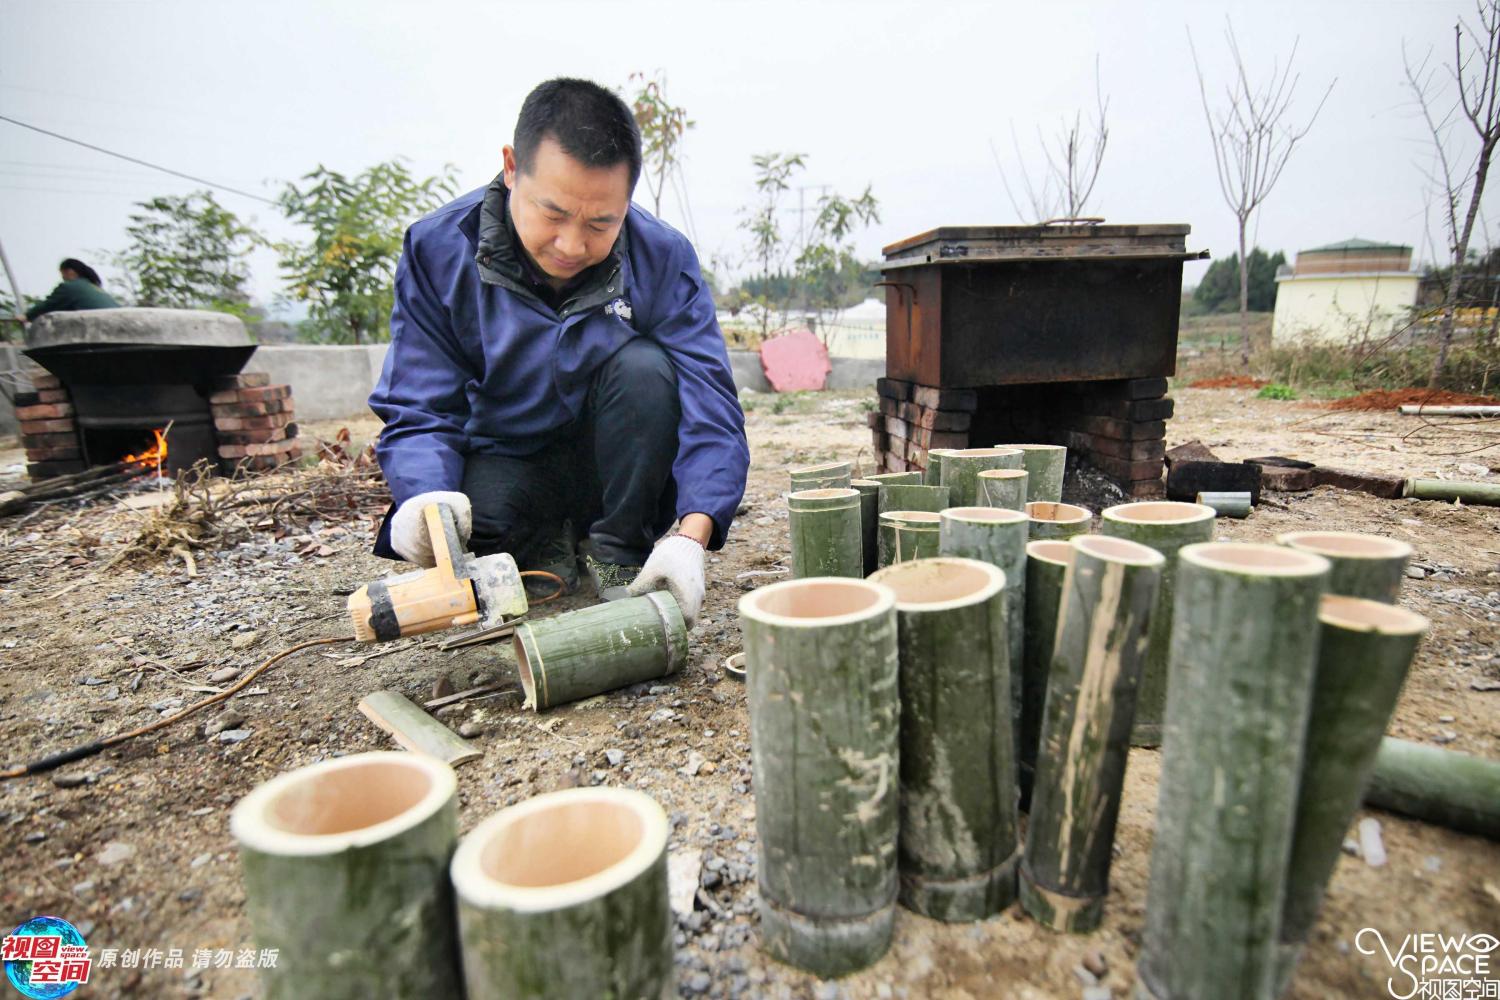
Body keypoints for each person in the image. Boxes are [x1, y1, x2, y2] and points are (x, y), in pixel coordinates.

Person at [368, 78, 750, 627]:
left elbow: (711, 403)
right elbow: (421, 401)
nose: (572, 245)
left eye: (601, 223)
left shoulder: (662, 256)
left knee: (647, 369)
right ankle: (546, 541)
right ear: (511, 168)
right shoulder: (439, 248)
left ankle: (618, 548)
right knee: (478, 525)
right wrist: (423, 499)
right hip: (508, 453)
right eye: (552, 213)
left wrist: (693, 535)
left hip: (619, 463)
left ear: (627, 201)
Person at [23, 258, 119, 321]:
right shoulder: (94, 287)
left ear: (70, 271)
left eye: (62, 274)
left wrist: (27, 316)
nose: (63, 278)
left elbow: (48, 305)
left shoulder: (69, 287)